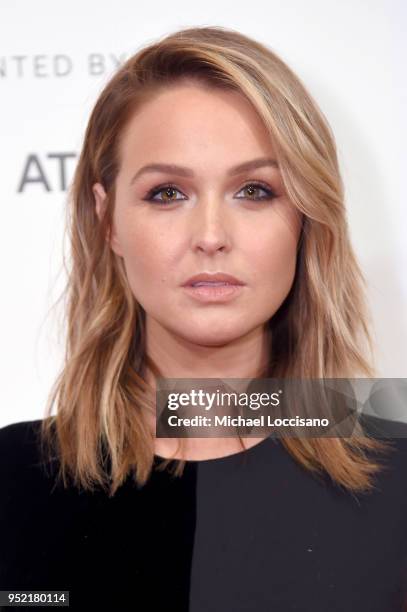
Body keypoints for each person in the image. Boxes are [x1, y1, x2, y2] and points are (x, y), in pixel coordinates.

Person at [1, 25, 406, 612]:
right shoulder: (14, 483)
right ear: (107, 218)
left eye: (255, 190)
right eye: (168, 193)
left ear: (306, 217)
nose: (211, 237)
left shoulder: (394, 465)